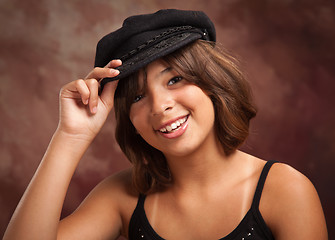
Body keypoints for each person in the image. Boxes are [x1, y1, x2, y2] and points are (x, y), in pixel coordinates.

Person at [4, 9, 328, 240]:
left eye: (174, 79)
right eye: (137, 97)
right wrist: (69, 136)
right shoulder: (122, 196)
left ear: (212, 83)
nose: (160, 107)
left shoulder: (285, 190)